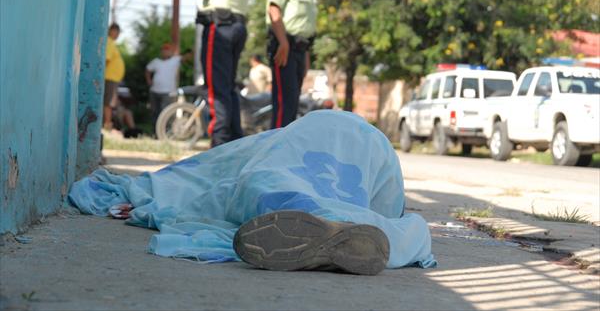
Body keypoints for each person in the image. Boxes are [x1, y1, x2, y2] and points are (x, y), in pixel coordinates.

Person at [69, 110, 436, 275]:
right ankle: (339, 227)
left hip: (312, 134)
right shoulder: (383, 164)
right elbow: (391, 206)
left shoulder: (290, 132)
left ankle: (325, 224)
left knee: (254, 183)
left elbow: (222, 163)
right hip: (361, 151)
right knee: (260, 185)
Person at [184, 0, 259, 148]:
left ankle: (219, 141)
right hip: (238, 24)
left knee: (215, 88)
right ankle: (233, 141)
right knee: (228, 86)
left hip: (219, 26)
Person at [267, 0, 319, 129]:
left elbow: (304, 24)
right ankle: (275, 154)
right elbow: (274, 10)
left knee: (293, 104)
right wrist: (283, 43)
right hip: (284, 45)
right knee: (283, 105)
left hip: (300, 48)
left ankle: (284, 151)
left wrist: (305, 55)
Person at [145, 44, 190, 130]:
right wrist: (149, 81)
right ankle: (155, 132)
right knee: (155, 112)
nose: (165, 52)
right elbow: (147, 70)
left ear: (171, 52)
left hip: (168, 92)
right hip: (154, 91)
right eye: (164, 50)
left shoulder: (175, 60)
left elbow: (186, 57)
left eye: (167, 50)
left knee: (166, 113)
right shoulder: (156, 61)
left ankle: (166, 131)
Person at [103, 23, 125, 131]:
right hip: (109, 77)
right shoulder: (109, 42)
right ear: (111, 31)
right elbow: (106, 60)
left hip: (112, 78)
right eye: (116, 31)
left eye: (119, 32)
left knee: (110, 102)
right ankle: (107, 125)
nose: (117, 34)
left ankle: (108, 124)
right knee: (108, 102)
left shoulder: (111, 43)